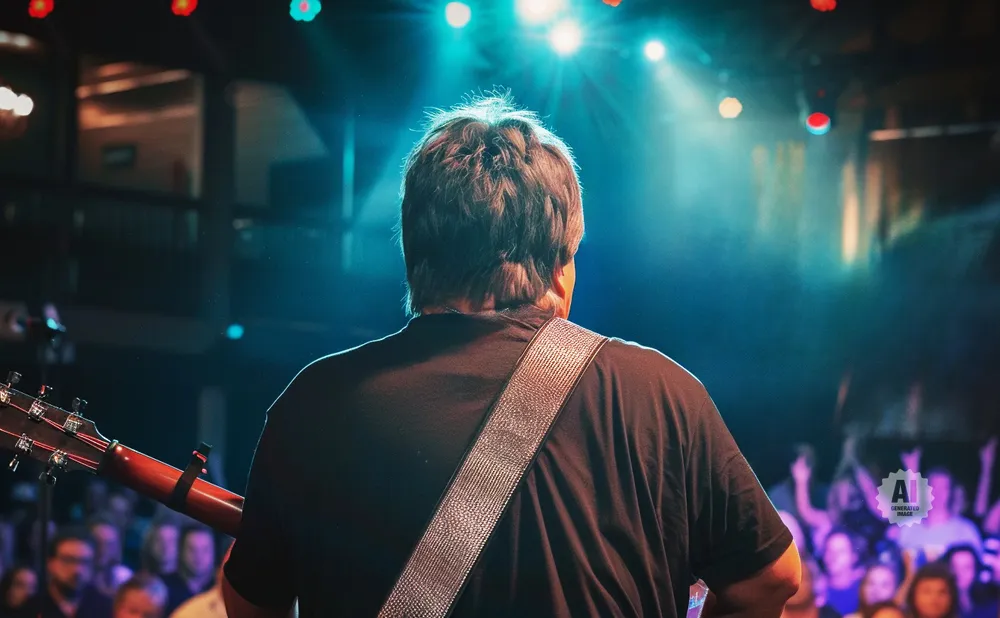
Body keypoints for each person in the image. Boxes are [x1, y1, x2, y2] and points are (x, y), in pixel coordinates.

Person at [220, 94, 801, 618]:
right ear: (557, 265)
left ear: (416, 256)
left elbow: (252, 605)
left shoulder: (316, 401)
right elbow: (769, 581)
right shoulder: (658, 392)